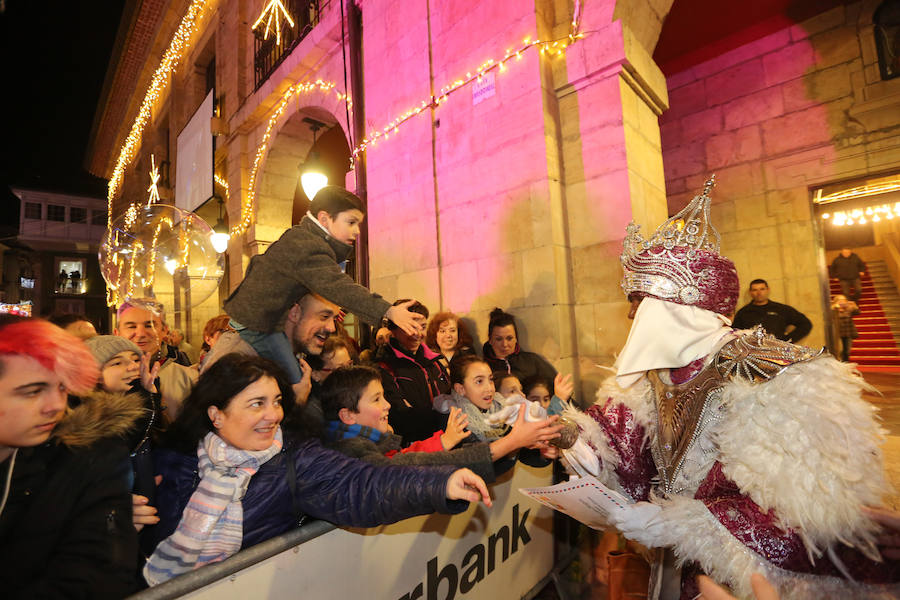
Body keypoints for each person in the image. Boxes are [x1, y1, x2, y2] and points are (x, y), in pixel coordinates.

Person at [552, 178, 899, 599]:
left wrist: (681, 525)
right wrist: (569, 436)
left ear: (674, 310)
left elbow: (804, 510)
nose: (629, 315)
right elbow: (619, 441)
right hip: (674, 566)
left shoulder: (768, 374)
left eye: (638, 302)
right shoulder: (653, 375)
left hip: (745, 580)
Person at [144, 353, 491, 585]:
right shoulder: (177, 459)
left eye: (277, 401)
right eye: (257, 404)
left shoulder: (296, 458)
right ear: (216, 414)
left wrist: (439, 483)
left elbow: (364, 483)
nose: (273, 415)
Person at [223, 185, 425, 397]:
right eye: (351, 222)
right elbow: (342, 287)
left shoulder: (303, 238)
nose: (357, 230)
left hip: (263, 323)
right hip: (259, 326)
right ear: (324, 219)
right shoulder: (307, 246)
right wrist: (388, 311)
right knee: (297, 384)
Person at [0, 316, 140, 599]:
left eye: (63, 387)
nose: (56, 406)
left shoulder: (91, 460)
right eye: (33, 392)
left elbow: (94, 578)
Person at [321, 364, 560, 482]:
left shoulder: (373, 442)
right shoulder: (350, 453)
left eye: (490, 380)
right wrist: (512, 443)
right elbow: (411, 463)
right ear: (348, 416)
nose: (388, 405)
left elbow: (411, 455)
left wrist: (523, 446)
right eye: (376, 399)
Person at [377, 299, 451, 444]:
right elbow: (401, 414)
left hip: (446, 438)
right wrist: (443, 417)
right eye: (411, 327)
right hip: (412, 445)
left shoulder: (435, 361)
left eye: (422, 327)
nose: (418, 333)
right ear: (393, 329)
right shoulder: (384, 367)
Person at [115, 299, 196, 419]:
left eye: (149, 326)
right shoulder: (106, 379)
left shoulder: (189, 379)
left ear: (165, 331)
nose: (140, 333)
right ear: (117, 333)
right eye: (131, 326)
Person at [483, 307, 557, 389]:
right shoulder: (483, 367)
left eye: (509, 338)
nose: (504, 344)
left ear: (516, 339)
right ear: (490, 340)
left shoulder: (532, 361)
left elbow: (557, 387)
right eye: (499, 339)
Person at [731, 279, 812, 342]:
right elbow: (733, 333)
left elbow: (805, 324)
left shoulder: (781, 309)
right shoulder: (743, 312)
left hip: (778, 352)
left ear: (768, 290)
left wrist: (787, 340)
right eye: (755, 290)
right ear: (750, 292)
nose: (759, 293)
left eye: (762, 289)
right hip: (753, 354)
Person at [831, 294, 860, 362]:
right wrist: (834, 307)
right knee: (839, 350)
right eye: (840, 300)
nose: (842, 302)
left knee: (847, 351)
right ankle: (840, 364)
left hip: (848, 332)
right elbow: (829, 314)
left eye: (843, 300)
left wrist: (854, 305)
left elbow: (857, 312)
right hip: (838, 333)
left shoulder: (849, 308)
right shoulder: (834, 309)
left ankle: (846, 364)